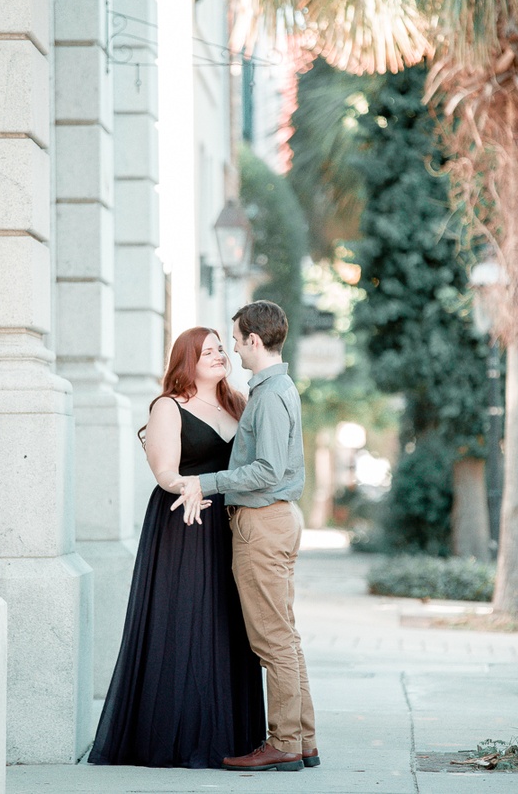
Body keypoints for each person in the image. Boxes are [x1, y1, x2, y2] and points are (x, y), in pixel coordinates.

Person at [88, 327, 265, 769]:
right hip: (185, 522)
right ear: (187, 359)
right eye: (208, 351)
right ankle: (175, 737)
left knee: (228, 623)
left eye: (222, 348)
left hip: (231, 524)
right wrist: (186, 487)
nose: (220, 355)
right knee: (184, 623)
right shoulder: (168, 406)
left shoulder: (237, 404)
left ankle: (229, 737)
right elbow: (164, 470)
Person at [173, 301, 319, 772]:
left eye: (235, 340)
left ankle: (284, 743)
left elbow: (268, 469)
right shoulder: (272, 389)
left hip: (263, 524)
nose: (232, 348)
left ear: (254, 341)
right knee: (285, 637)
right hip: (272, 521)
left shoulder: (272, 395)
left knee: (272, 640)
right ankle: (303, 741)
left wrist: (207, 481)